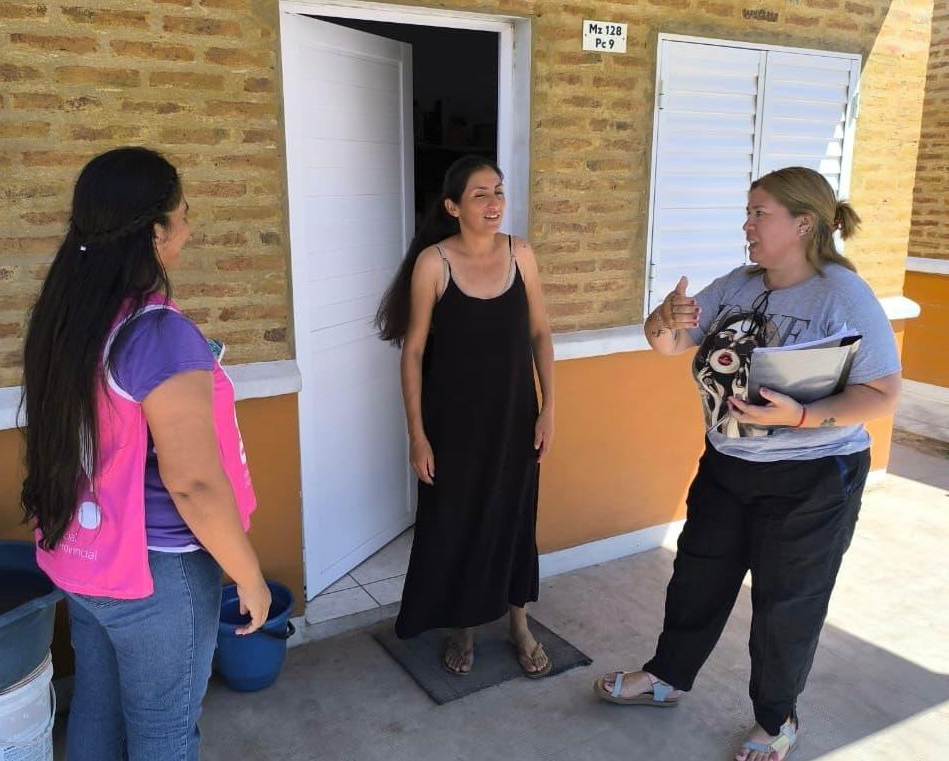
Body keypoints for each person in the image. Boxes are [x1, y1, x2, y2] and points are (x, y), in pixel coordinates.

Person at [593, 167, 901, 761]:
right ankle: (666, 677)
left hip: (815, 475)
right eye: (748, 212)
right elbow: (669, 344)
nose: (747, 225)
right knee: (697, 578)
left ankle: (776, 719)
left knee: (787, 601)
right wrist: (663, 318)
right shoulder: (737, 285)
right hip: (729, 462)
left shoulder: (843, 295)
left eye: (760, 213)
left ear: (803, 224)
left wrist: (802, 417)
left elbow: (883, 394)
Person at [20, 147, 271, 761]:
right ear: (155, 232)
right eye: (183, 216)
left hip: (83, 559)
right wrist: (249, 575)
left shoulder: (70, 318)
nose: (188, 230)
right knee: (164, 733)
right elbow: (194, 484)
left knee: (97, 711)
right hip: (158, 575)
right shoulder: (157, 333)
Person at [376, 155, 555, 677]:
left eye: (498, 191)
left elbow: (540, 334)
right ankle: (463, 624)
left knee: (515, 517)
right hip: (452, 423)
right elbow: (412, 352)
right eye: (480, 194)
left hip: (515, 418)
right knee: (456, 521)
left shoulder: (521, 254)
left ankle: (519, 623)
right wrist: (417, 435)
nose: (494, 203)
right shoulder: (434, 263)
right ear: (453, 207)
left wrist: (549, 410)